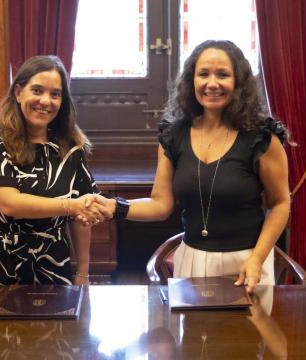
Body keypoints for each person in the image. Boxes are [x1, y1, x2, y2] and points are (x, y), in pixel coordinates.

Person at [92, 40, 291, 293]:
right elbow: (160, 205)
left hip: (247, 263)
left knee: (247, 335)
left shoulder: (261, 137)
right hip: (191, 260)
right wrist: (114, 207)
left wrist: (257, 259)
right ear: (191, 80)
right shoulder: (173, 135)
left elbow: (280, 204)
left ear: (239, 83)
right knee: (192, 334)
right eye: (203, 74)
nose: (212, 83)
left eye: (223, 75)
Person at [0, 55, 106, 286]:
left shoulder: (71, 148)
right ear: (18, 93)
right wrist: (72, 205)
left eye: (55, 94)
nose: (46, 101)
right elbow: (10, 204)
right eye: (37, 90)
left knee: (58, 323)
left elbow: (81, 219)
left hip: (54, 267)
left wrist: (83, 272)